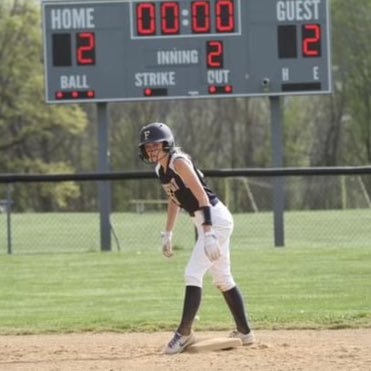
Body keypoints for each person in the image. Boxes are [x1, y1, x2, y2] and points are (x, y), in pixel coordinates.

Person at [138, 122, 254, 354]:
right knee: (222, 277)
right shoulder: (161, 169)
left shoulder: (178, 162)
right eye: (148, 146)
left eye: (156, 145)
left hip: (215, 219)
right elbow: (174, 199)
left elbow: (201, 196)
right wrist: (168, 232)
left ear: (167, 143)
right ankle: (245, 333)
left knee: (193, 273)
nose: (151, 150)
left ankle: (184, 334)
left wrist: (208, 232)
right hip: (207, 221)